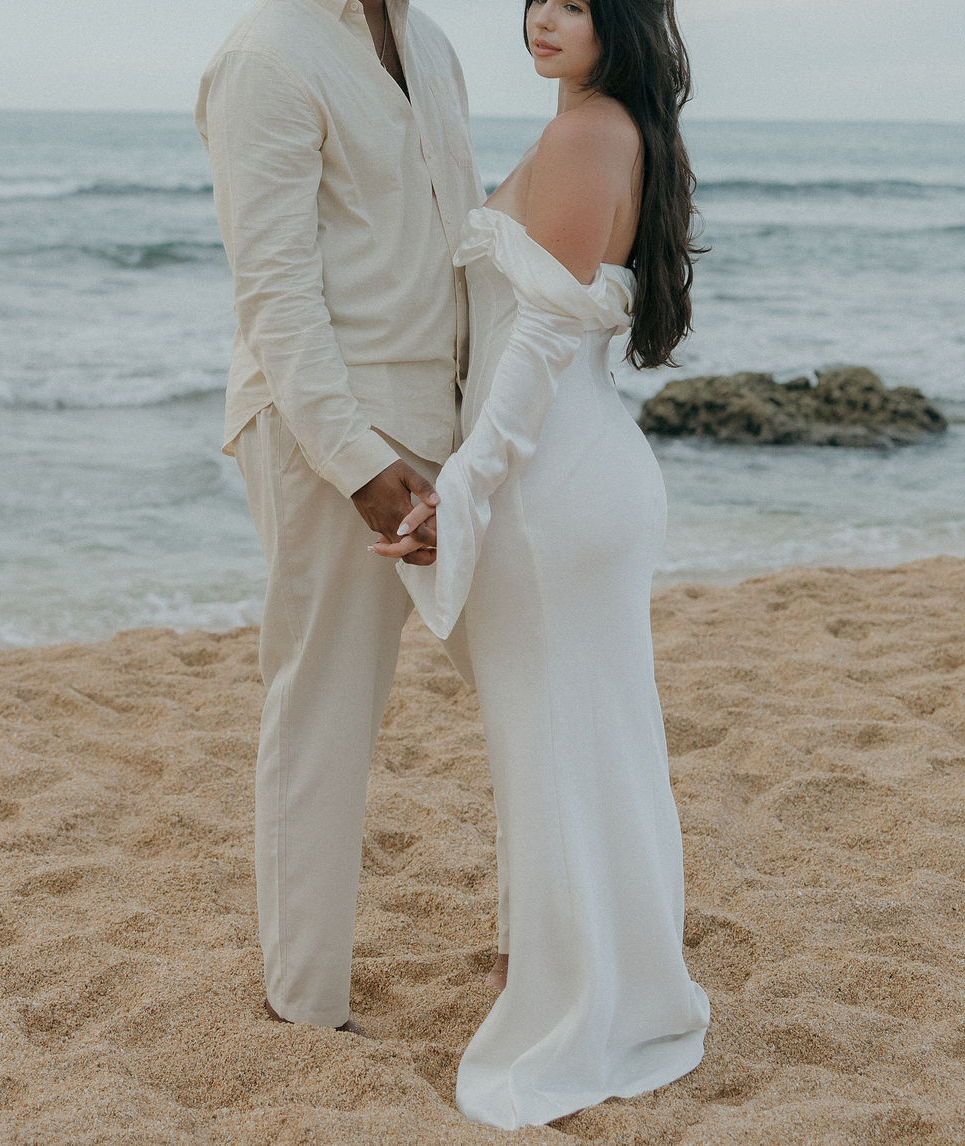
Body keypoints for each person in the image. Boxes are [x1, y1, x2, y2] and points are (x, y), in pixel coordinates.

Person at [371, 0, 711, 1128]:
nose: (544, 17)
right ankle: (577, 968)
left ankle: (581, 998)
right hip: (579, 475)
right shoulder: (611, 130)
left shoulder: (586, 133)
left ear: (618, 17)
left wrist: (459, 493)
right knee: (587, 739)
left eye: (575, 1)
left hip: (546, 487)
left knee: (556, 747)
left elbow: (537, 344)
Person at [194, 0, 482, 1033]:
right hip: (334, 436)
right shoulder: (267, 54)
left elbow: (461, 244)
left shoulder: (434, 45)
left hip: (453, 430)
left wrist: (490, 432)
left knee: (531, 685)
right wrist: (361, 462)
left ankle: (565, 961)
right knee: (325, 708)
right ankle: (305, 1007)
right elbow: (272, 290)